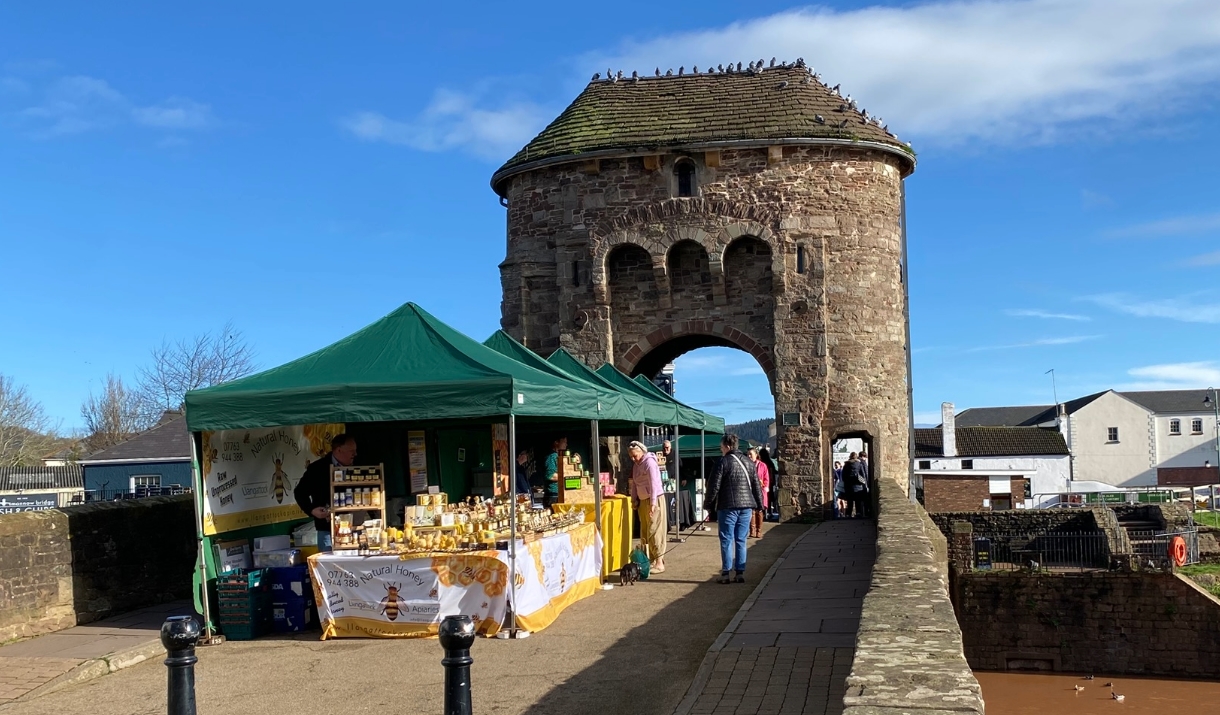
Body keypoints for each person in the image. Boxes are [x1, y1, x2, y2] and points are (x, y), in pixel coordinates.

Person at [705, 434, 763, 584]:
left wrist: (708, 505)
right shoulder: (749, 463)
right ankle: (740, 573)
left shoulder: (722, 462)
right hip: (746, 506)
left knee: (726, 539)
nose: (721, 449)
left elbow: (713, 487)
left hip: (728, 505)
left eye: (721, 447)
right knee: (741, 540)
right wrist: (760, 505)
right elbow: (756, 485)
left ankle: (726, 573)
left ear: (728, 446)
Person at [294, 434, 358, 552]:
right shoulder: (317, 469)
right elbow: (299, 492)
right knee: (328, 565)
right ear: (339, 450)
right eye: (351, 451)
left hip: (355, 528)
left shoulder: (359, 465)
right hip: (327, 529)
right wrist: (312, 510)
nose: (355, 454)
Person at [628, 440, 667, 573]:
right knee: (645, 532)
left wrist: (653, 503)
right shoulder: (636, 465)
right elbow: (634, 484)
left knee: (654, 530)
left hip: (654, 500)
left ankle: (659, 562)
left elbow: (654, 484)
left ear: (641, 452)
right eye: (631, 457)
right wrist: (634, 500)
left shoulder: (649, 462)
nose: (633, 459)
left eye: (635, 456)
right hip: (643, 501)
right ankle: (649, 560)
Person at [748, 447, 769, 538]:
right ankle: (752, 530)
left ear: (756, 455)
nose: (749, 456)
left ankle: (758, 530)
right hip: (750, 490)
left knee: (759, 510)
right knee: (751, 511)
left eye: (750, 454)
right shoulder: (746, 465)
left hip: (760, 490)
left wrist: (765, 486)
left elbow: (766, 478)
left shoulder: (763, 465)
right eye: (747, 454)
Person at [843, 452, 870, 518]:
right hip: (858, 485)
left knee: (850, 500)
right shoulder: (859, 464)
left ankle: (848, 513)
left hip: (848, 485)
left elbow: (843, 476)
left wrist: (845, 482)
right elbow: (863, 474)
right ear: (856, 457)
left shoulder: (846, 465)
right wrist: (865, 483)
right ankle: (858, 513)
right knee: (858, 500)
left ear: (850, 456)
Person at [543, 438, 567, 507]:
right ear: (556, 442)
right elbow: (550, 475)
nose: (566, 444)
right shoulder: (551, 457)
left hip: (558, 494)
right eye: (564, 442)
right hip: (553, 495)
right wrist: (567, 477)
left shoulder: (557, 456)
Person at [759, 446, 780, 518]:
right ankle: (769, 512)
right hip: (770, 483)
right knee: (770, 498)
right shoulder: (770, 462)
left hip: (763, 482)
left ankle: (765, 512)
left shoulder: (761, 464)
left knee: (764, 498)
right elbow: (773, 472)